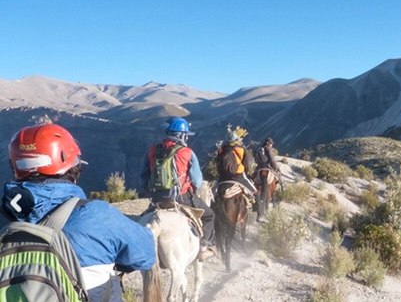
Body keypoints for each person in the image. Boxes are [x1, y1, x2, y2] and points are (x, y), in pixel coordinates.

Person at [1, 123, 155, 302]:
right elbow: (146, 254)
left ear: (15, 167)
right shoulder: (98, 215)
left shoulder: (5, 220)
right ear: (73, 168)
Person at [141, 116, 216, 258]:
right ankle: (204, 247)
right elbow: (197, 180)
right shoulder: (187, 152)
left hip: (157, 198)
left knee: (142, 220)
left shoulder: (152, 150)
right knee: (210, 215)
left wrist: (149, 192)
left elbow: (144, 176)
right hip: (181, 197)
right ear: (182, 135)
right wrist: (192, 189)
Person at [216, 125, 258, 198]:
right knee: (255, 193)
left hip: (223, 177)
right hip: (238, 176)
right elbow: (247, 163)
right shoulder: (241, 149)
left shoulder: (221, 150)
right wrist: (246, 172)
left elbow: (218, 164)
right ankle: (259, 207)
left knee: (214, 193)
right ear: (236, 140)